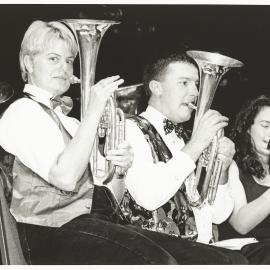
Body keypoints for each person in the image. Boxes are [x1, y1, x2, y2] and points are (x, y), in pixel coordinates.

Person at [0, 20, 247, 265]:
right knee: (159, 261)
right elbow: (64, 177)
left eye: (69, 61)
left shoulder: (72, 123)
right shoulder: (21, 112)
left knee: (218, 259)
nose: (65, 68)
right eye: (53, 59)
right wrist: (93, 112)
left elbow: (108, 201)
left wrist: (119, 170)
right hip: (48, 233)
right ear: (29, 63)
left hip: (91, 223)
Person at [122, 52, 248, 263]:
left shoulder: (187, 139)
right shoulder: (131, 129)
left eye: (196, 84)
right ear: (156, 87)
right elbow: (149, 197)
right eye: (184, 83)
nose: (196, 92)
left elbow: (219, 215)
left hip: (203, 249)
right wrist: (197, 144)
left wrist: (223, 170)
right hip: (155, 253)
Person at [219, 95, 270, 264]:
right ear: (248, 127)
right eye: (266, 126)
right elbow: (241, 224)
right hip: (240, 253)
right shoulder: (232, 166)